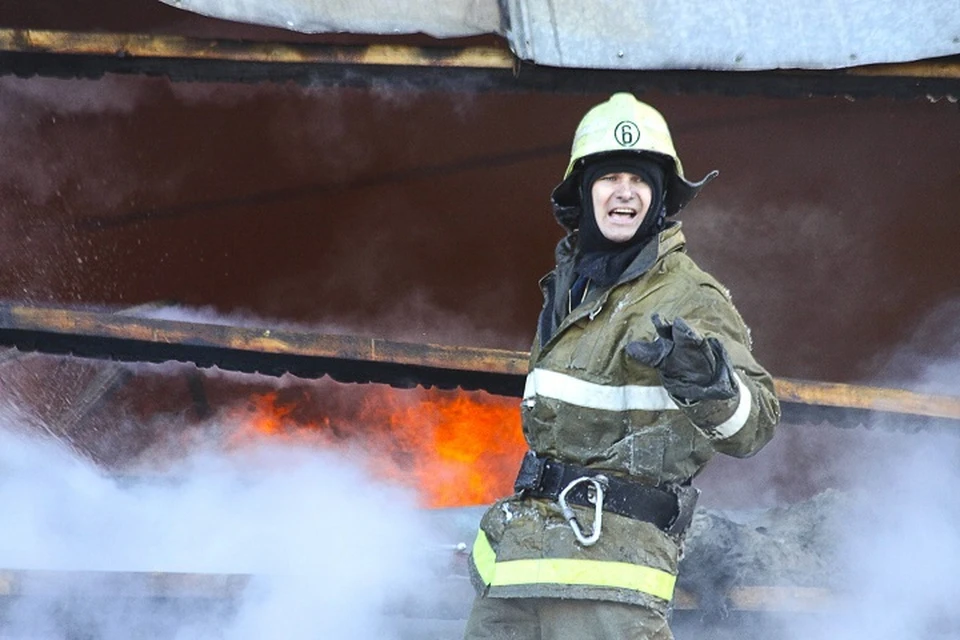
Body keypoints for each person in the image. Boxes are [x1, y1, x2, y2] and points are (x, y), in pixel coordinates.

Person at [463, 93, 781, 639]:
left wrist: (709, 384)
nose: (625, 193)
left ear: (659, 199)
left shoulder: (689, 296)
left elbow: (756, 425)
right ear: (584, 193)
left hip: (612, 584)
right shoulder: (571, 290)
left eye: (640, 180)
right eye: (611, 177)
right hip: (518, 577)